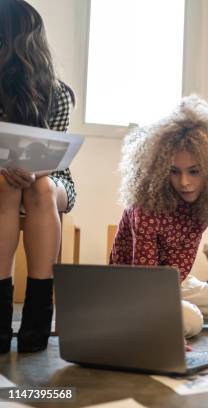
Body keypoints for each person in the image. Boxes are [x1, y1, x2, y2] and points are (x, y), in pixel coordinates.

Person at [110, 96, 208, 338]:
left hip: (178, 282)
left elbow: (178, 269)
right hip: (137, 286)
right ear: (160, 170)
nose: (184, 182)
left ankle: (166, 316)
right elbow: (146, 278)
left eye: (194, 171)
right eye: (174, 172)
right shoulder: (147, 207)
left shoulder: (203, 202)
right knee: (192, 322)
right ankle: (134, 316)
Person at [0, 0, 77, 353]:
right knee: (4, 185)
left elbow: (56, 157)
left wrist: (32, 171)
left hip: (49, 178)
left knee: (41, 189)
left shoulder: (57, 93)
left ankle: (36, 321)